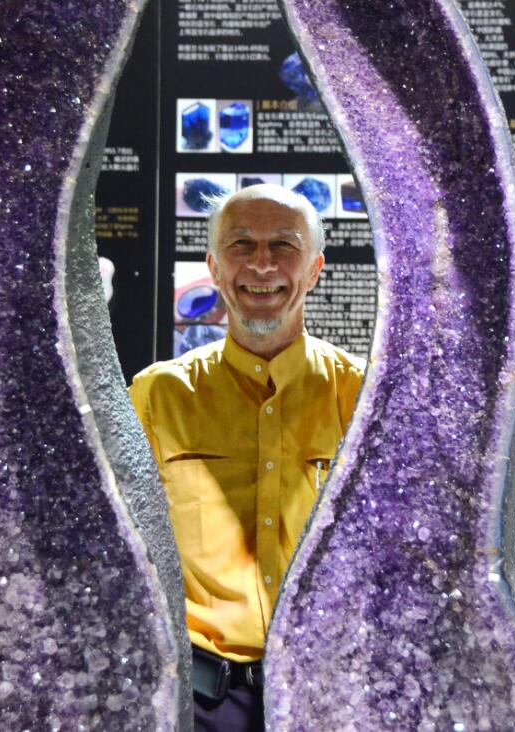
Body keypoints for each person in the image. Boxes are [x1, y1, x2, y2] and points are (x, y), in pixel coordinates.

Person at [129, 184, 365, 731]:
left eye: (284, 245)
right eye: (241, 244)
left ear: (314, 269)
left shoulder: (363, 396)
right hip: (200, 703)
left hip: (330, 694)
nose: (261, 264)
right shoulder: (157, 397)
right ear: (214, 267)